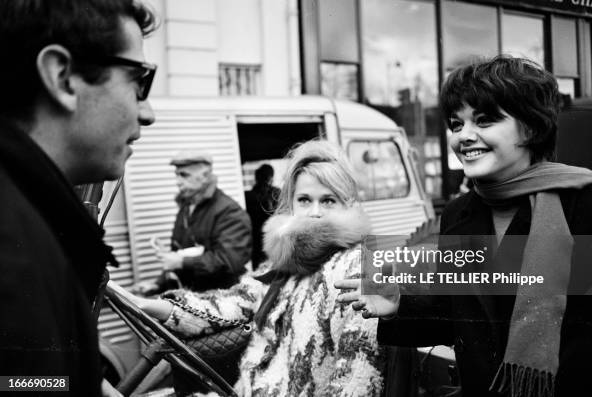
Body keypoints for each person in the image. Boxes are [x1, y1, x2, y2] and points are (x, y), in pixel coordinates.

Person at [336, 55, 592, 397]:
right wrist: (397, 307)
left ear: (531, 125)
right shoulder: (458, 214)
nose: (464, 136)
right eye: (455, 124)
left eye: (484, 121)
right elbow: (464, 317)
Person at [126, 140, 385, 396]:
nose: (314, 212)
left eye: (328, 200)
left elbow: (357, 380)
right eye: (304, 200)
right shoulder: (283, 263)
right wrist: (148, 305)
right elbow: (232, 302)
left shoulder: (361, 268)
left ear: (348, 204)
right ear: (291, 204)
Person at [0, 1, 157, 396]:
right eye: (137, 80)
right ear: (63, 77)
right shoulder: (13, 251)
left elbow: (21, 382)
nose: (148, 111)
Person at [138, 149, 252, 294]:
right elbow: (180, 253)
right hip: (194, 299)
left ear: (205, 176)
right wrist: (158, 284)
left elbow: (229, 260)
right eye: (177, 175)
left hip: (222, 301)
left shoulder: (229, 212)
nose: (178, 182)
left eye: (184, 175)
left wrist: (181, 261)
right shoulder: (187, 207)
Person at [245, 163, 280, 270]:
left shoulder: (248, 195)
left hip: (258, 240)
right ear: (271, 178)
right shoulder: (276, 193)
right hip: (266, 240)